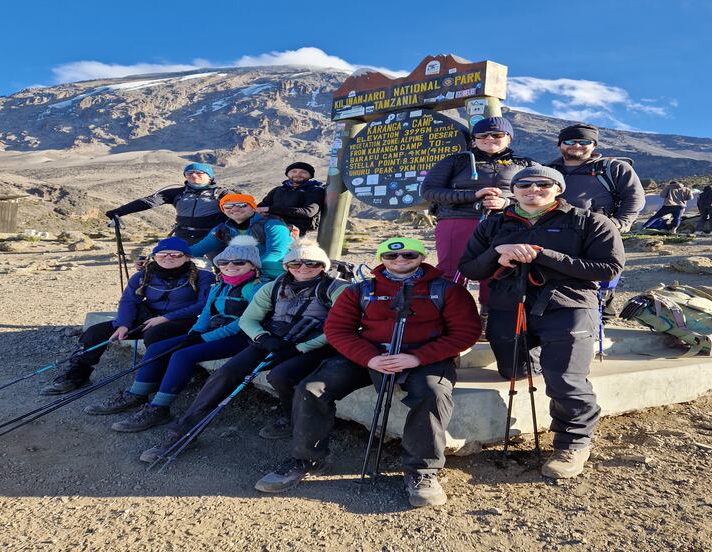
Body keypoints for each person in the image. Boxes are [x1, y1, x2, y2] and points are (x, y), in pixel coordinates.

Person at [254, 237, 481, 508]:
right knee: (312, 388)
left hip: (424, 357)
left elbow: (466, 332)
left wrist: (415, 357)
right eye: (391, 256)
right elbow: (338, 330)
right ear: (381, 259)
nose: (399, 261)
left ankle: (422, 471)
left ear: (421, 257)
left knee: (433, 394)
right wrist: (370, 358)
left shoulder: (447, 290)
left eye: (408, 255)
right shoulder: (360, 290)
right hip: (370, 354)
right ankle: (306, 458)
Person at [459, 166, 624, 480]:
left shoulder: (589, 221)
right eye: (524, 184)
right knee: (514, 370)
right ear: (514, 189)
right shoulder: (495, 223)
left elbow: (608, 267)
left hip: (567, 306)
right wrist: (497, 253)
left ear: (558, 188)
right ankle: (545, 360)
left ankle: (573, 443)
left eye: (543, 184)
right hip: (510, 305)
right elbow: (469, 268)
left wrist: (542, 255)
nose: (532, 189)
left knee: (564, 379)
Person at [139, 240, 349, 461]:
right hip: (273, 339)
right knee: (225, 375)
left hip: (314, 345)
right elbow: (249, 320)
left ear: (323, 266)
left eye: (311, 263)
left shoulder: (337, 289)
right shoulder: (275, 286)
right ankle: (183, 431)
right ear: (287, 266)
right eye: (295, 263)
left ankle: (291, 418)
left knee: (281, 376)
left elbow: (340, 327)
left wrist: (301, 347)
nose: (303, 268)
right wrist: (262, 337)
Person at [82, 236, 265, 430]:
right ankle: (136, 394)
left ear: (253, 266)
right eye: (224, 262)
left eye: (239, 262)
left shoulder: (256, 288)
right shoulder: (220, 286)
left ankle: (159, 408)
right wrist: (195, 332)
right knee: (158, 348)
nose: (230, 266)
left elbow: (244, 322)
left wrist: (203, 337)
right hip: (212, 332)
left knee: (183, 355)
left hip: (241, 338)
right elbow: (206, 312)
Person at [41, 238, 214, 395]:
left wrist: (165, 318)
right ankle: (77, 375)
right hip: (146, 318)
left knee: (155, 334)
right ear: (154, 256)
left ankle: (154, 378)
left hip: (181, 321)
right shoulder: (143, 276)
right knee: (96, 332)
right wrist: (123, 324)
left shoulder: (203, 276)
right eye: (162, 254)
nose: (168, 257)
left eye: (175, 254)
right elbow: (129, 301)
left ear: (187, 257)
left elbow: (202, 304)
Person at [420, 116, 537, 327]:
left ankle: (489, 321)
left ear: (508, 138)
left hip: (506, 223)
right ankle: (448, 319)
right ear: (474, 139)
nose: (489, 138)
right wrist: (474, 194)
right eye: (482, 135)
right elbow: (429, 191)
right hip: (457, 220)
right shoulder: (456, 161)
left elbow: (542, 192)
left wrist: (506, 201)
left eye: (497, 135)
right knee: (451, 269)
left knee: (498, 270)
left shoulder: (526, 164)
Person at [547, 124, 645, 233]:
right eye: (569, 142)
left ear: (594, 145)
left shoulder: (613, 168)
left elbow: (634, 196)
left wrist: (621, 223)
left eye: (584, 142)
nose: (577, 145)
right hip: (548, 230)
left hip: (595, 231)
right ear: (559, 145)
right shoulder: (546, 170)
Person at [105, 163, 234, 244]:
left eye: (199, 173)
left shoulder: (222, 193)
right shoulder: (177, 193)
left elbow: (243, 207)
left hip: (214, 237)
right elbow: (147, 202)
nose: (194, 175)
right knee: (180, 268)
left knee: (219, 268)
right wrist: (119, 212)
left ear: (210, 177)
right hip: (183, 236)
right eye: (189, 173)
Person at [190, 193, 292, 279]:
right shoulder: (222, 229)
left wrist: (249, 269)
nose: (235, 208)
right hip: (241, 271)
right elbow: (198, 249)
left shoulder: (273, 224)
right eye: (228, 206)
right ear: (224, 211)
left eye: (242, 205)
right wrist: (176, 252)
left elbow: (277, 253)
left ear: (253, 207)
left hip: (274, 271)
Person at [257, 162, 326, 236]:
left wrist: (270, 209)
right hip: (268, 227)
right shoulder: (278, 190)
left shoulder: (315, 190)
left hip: (295, 232)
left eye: (303, 172)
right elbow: (260, 207)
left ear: (310, 175)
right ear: (288, 174)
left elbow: (309, 212)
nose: (298, 174)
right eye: (294, 171)